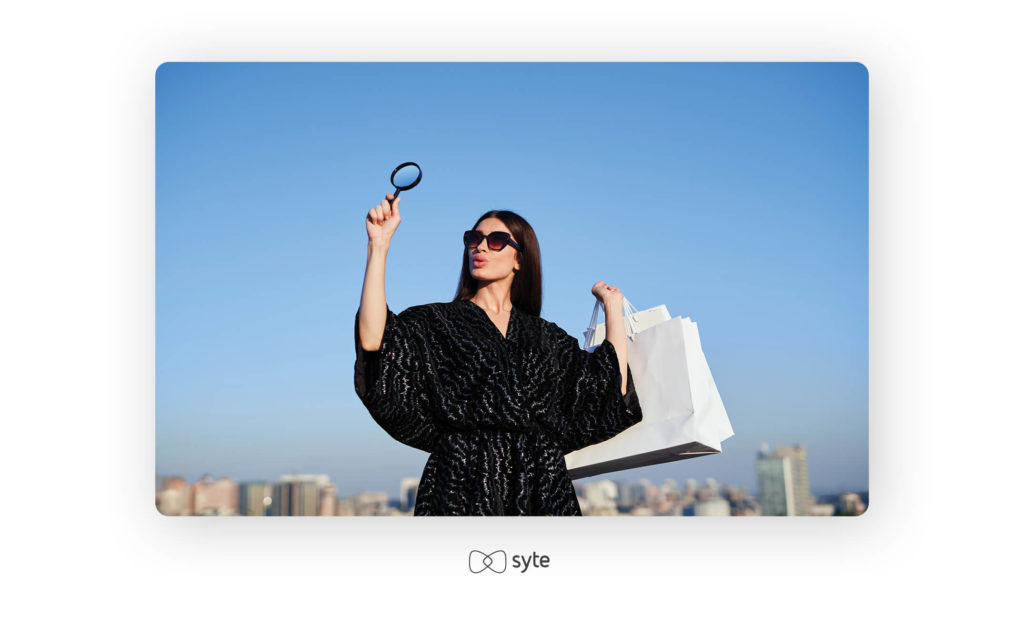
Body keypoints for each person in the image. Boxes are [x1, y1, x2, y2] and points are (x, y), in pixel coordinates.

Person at [354, 192, 642, 515]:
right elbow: (374, 342)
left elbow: (609, 389)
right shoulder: (437, 322)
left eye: (496, 240)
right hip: (459, 485)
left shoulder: (546, 338)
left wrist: (612, 308)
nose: (479, 246)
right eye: (474, 239)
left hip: (541, 487)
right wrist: (378, 246)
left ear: (519, 258)